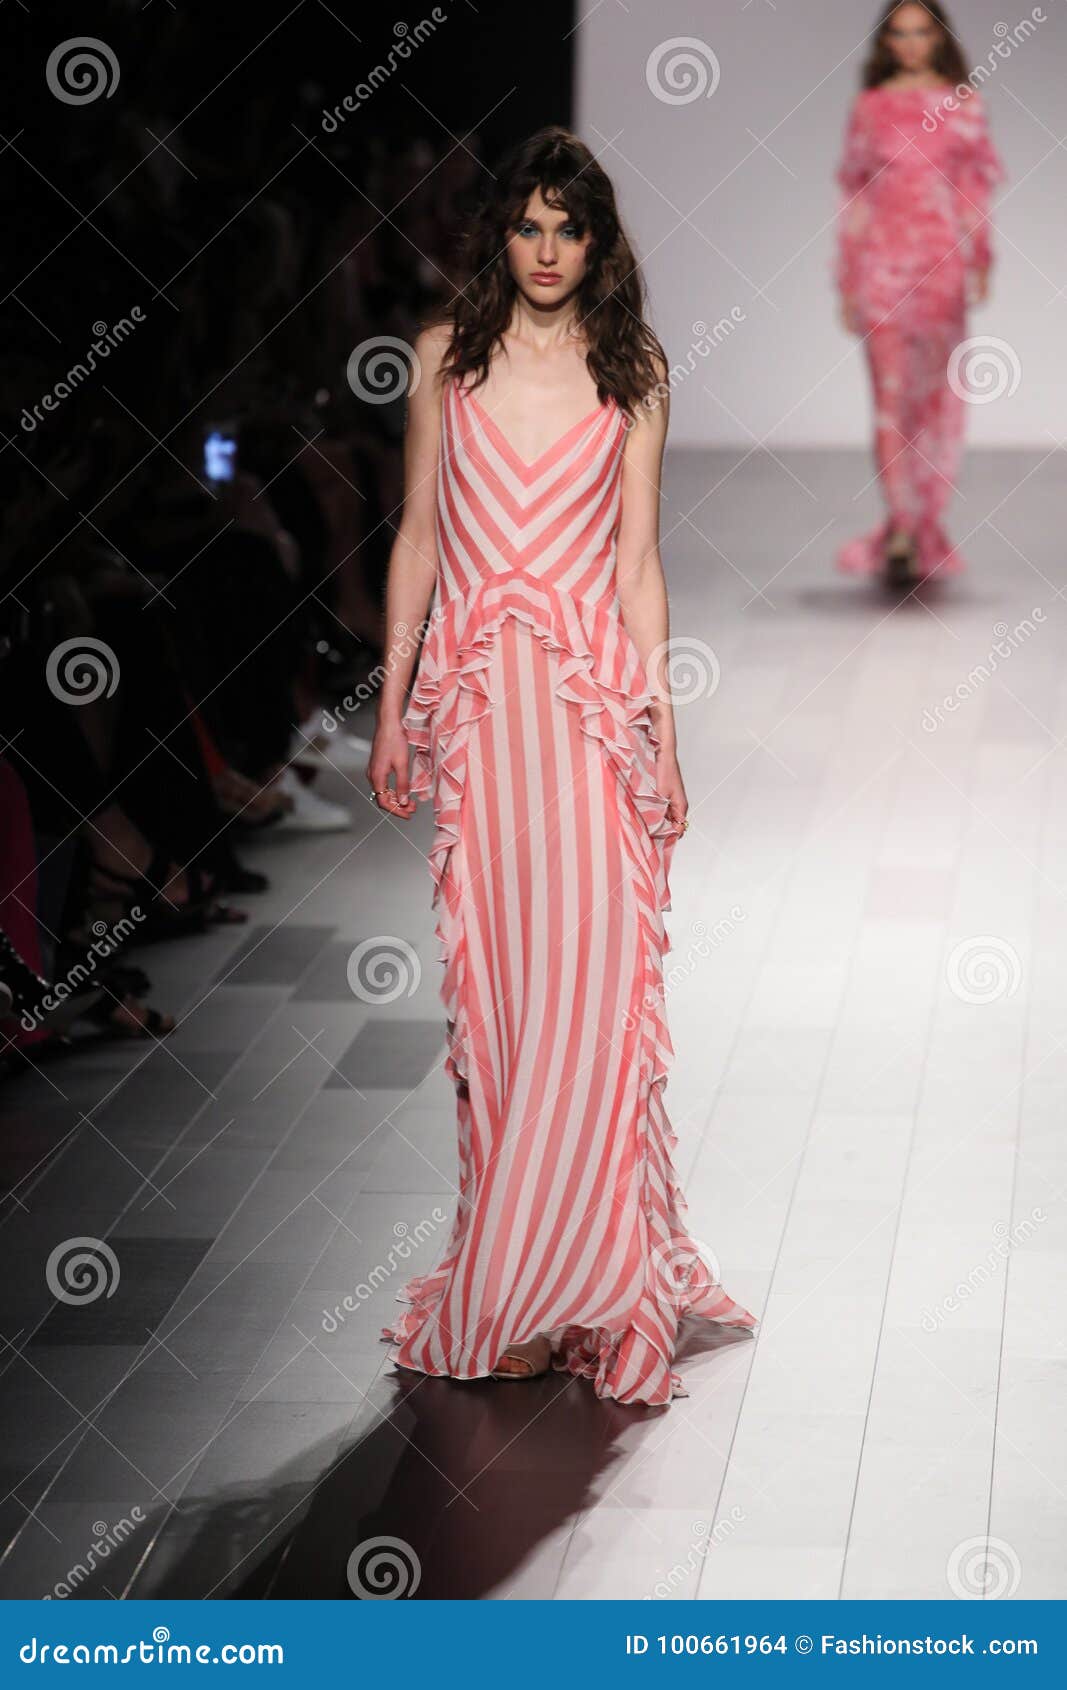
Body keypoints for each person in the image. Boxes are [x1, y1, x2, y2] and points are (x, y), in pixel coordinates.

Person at [367, 126, 755, 1407]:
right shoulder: (442, 357)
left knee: (592, 1011)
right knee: (503, 1014)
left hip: (587, 726)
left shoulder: (632, 368)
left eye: (567, 229)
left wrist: (664, 724)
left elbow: (638, 565)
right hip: (481, 730)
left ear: (597, 244)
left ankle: (584, 1283)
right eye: (527, 227)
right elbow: (418, 540)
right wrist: (389, 709)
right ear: (502, 236)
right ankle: (516, 1282)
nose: (545, 251)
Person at [834, 2, 1005, 585]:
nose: (910, 44)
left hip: (940, 269)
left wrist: (981, 256)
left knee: (932, 404)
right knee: (889, 401)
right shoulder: (871, 108)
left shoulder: (963, 105)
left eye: (921, 32)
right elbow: (855, 198)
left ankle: (922, 518)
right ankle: (904, 525)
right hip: (882, 269)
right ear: (888, 42)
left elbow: (971, 193)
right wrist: (847, 276)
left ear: (938, 37)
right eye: (899, 34)